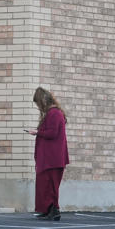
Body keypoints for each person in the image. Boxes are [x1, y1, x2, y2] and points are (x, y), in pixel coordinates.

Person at [27, 87, 69, 221]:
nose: (39, 107)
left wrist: (37, 132)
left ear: (43, 101)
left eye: (38, 104)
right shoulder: (52, 113)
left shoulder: (54, 113)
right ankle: (46, 209)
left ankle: (54, 210)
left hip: (53, 158)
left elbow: (52, 133)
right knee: (44, 185)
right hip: (49, 157)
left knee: (50, 185)